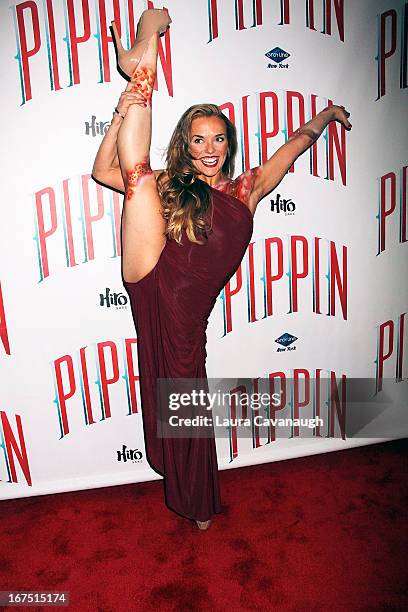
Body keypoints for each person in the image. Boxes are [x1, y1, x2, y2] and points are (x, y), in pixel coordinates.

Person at [92, 8, 352, 530]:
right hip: (153, 274)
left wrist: (323, 120)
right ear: (186, 146)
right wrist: (122, 112)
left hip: (188, 317)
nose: (209, 150)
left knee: (184, 392)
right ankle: (146, 47)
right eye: (198, 140)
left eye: (218, 140)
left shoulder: (245, 191)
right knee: (140, 177)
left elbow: (292, 147)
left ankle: (138, 57)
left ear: (228, 145)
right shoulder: (175, 184)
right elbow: (103, 172)